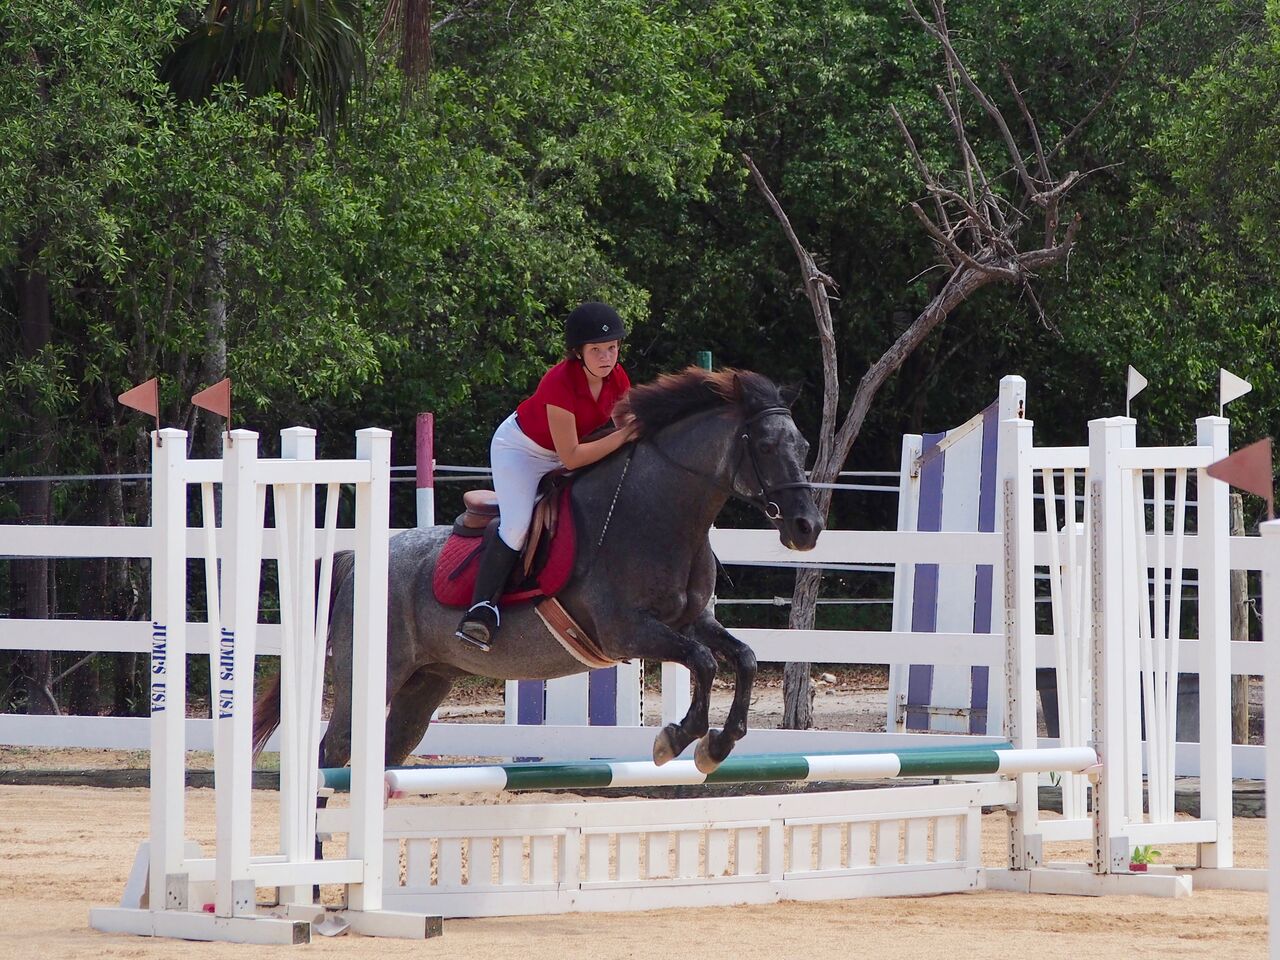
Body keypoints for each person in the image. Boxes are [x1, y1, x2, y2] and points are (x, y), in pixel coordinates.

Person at [456, 302, 638, 651]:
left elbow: (624, 429)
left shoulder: (618, 378)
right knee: (516, 525)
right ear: (578, 352)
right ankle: (480, 610)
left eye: (612, 348)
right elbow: (573, 455)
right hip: (521, 451)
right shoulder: (559, 382)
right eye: (596, 350)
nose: (606, 357)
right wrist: (625, 436)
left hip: (562, 451)